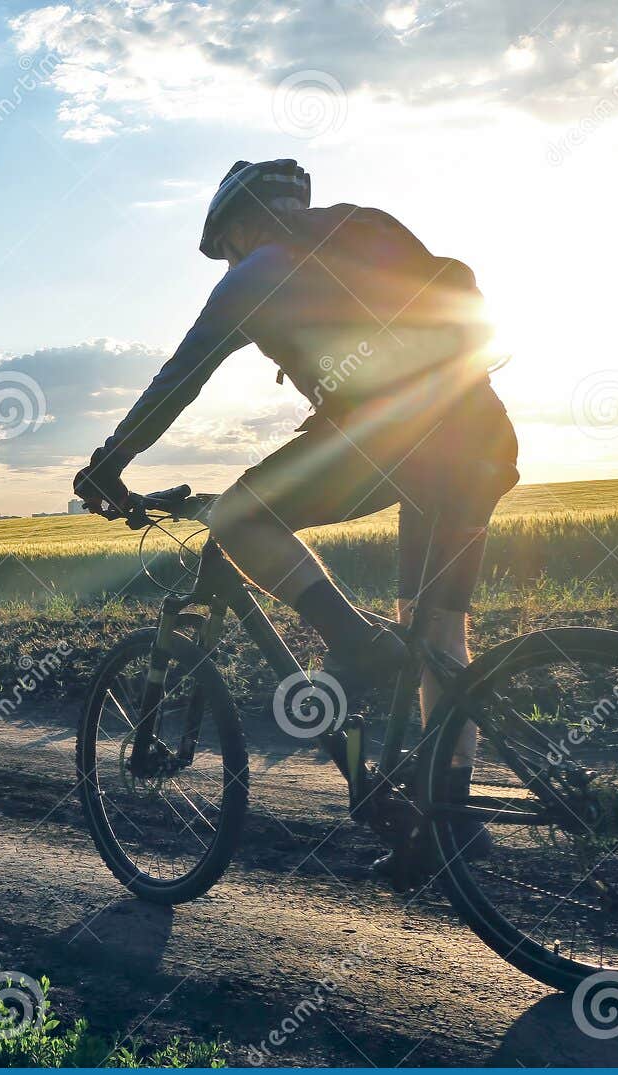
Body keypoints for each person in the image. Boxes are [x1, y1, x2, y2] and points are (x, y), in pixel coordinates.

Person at [73, 159, 518, 879]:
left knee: (239, 516)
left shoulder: (259, 271)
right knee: (438, 632)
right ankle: (448, 825)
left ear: (242, 225)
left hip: (392, 439)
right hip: (477, 434)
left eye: (222, 246)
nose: (225, 260)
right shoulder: (359, 232)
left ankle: (355, 643)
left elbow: (176, 383)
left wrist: (107, 465)